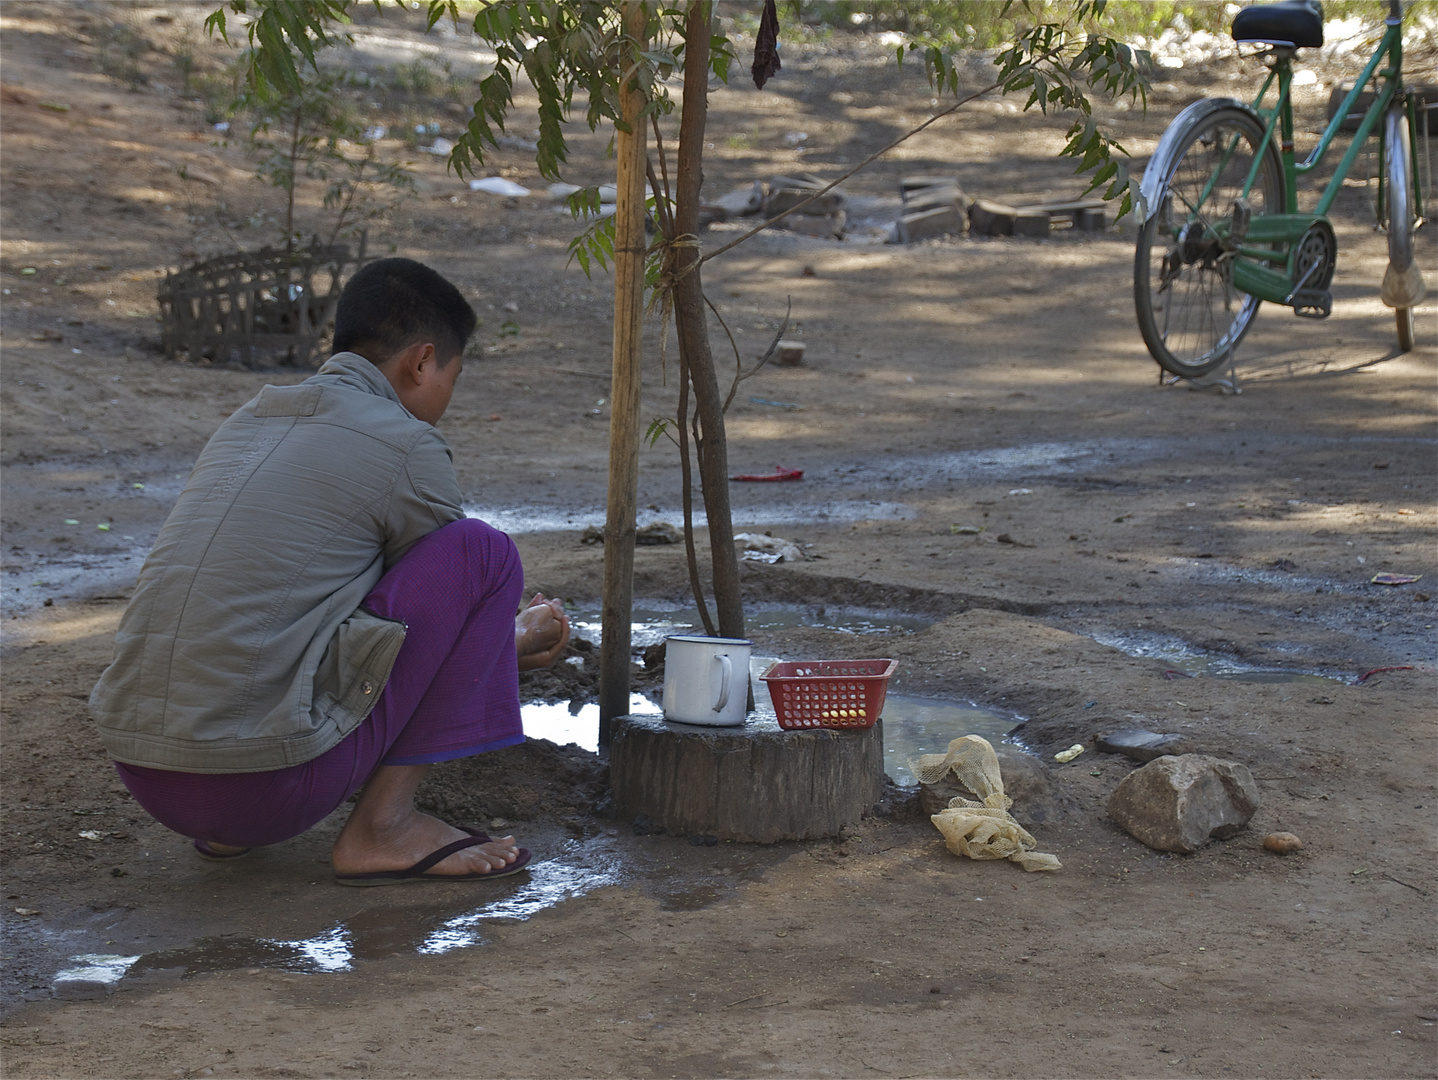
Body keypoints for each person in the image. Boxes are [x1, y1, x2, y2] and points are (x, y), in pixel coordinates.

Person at [90, 257, 569, 886]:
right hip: (266, 789)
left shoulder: (250, 420)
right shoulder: (406, 444)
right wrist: (516, 640)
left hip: (149, 773)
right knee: (481, 555)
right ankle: (384, 827)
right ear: (422, 361)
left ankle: (231, 837)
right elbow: (441, 625)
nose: (447, 396)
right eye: (453, 376)